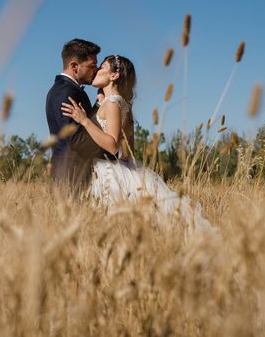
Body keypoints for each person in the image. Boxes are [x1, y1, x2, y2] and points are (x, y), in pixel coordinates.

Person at [61, 54, 212, 231]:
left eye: (101, 67)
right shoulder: (121, 104)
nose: (96, 71)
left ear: (114, 75)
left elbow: (112, 145)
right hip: (123, 169)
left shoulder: (112, 104)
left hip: (107, 173)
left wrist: (85, 120)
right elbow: (128, 151)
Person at [45, 38, 116, 191]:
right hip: (71, 177)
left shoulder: (69, 90)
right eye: (92, 65)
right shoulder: (65, 92)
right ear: (74, 66)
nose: (96, 70)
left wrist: (98, 104)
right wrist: (112, 152)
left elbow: (84, 124)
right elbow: (77, 139)